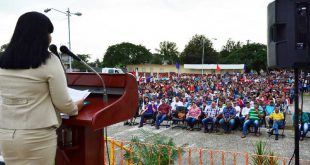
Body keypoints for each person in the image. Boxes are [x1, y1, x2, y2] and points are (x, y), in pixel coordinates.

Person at [0, 12, 84, 165]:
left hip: (6, 134)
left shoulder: (4, 60)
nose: (50, 37)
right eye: (48, 33)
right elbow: (63, 103)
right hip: (37, 137)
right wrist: (75, 107)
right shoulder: (49, 60)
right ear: (40, 35)